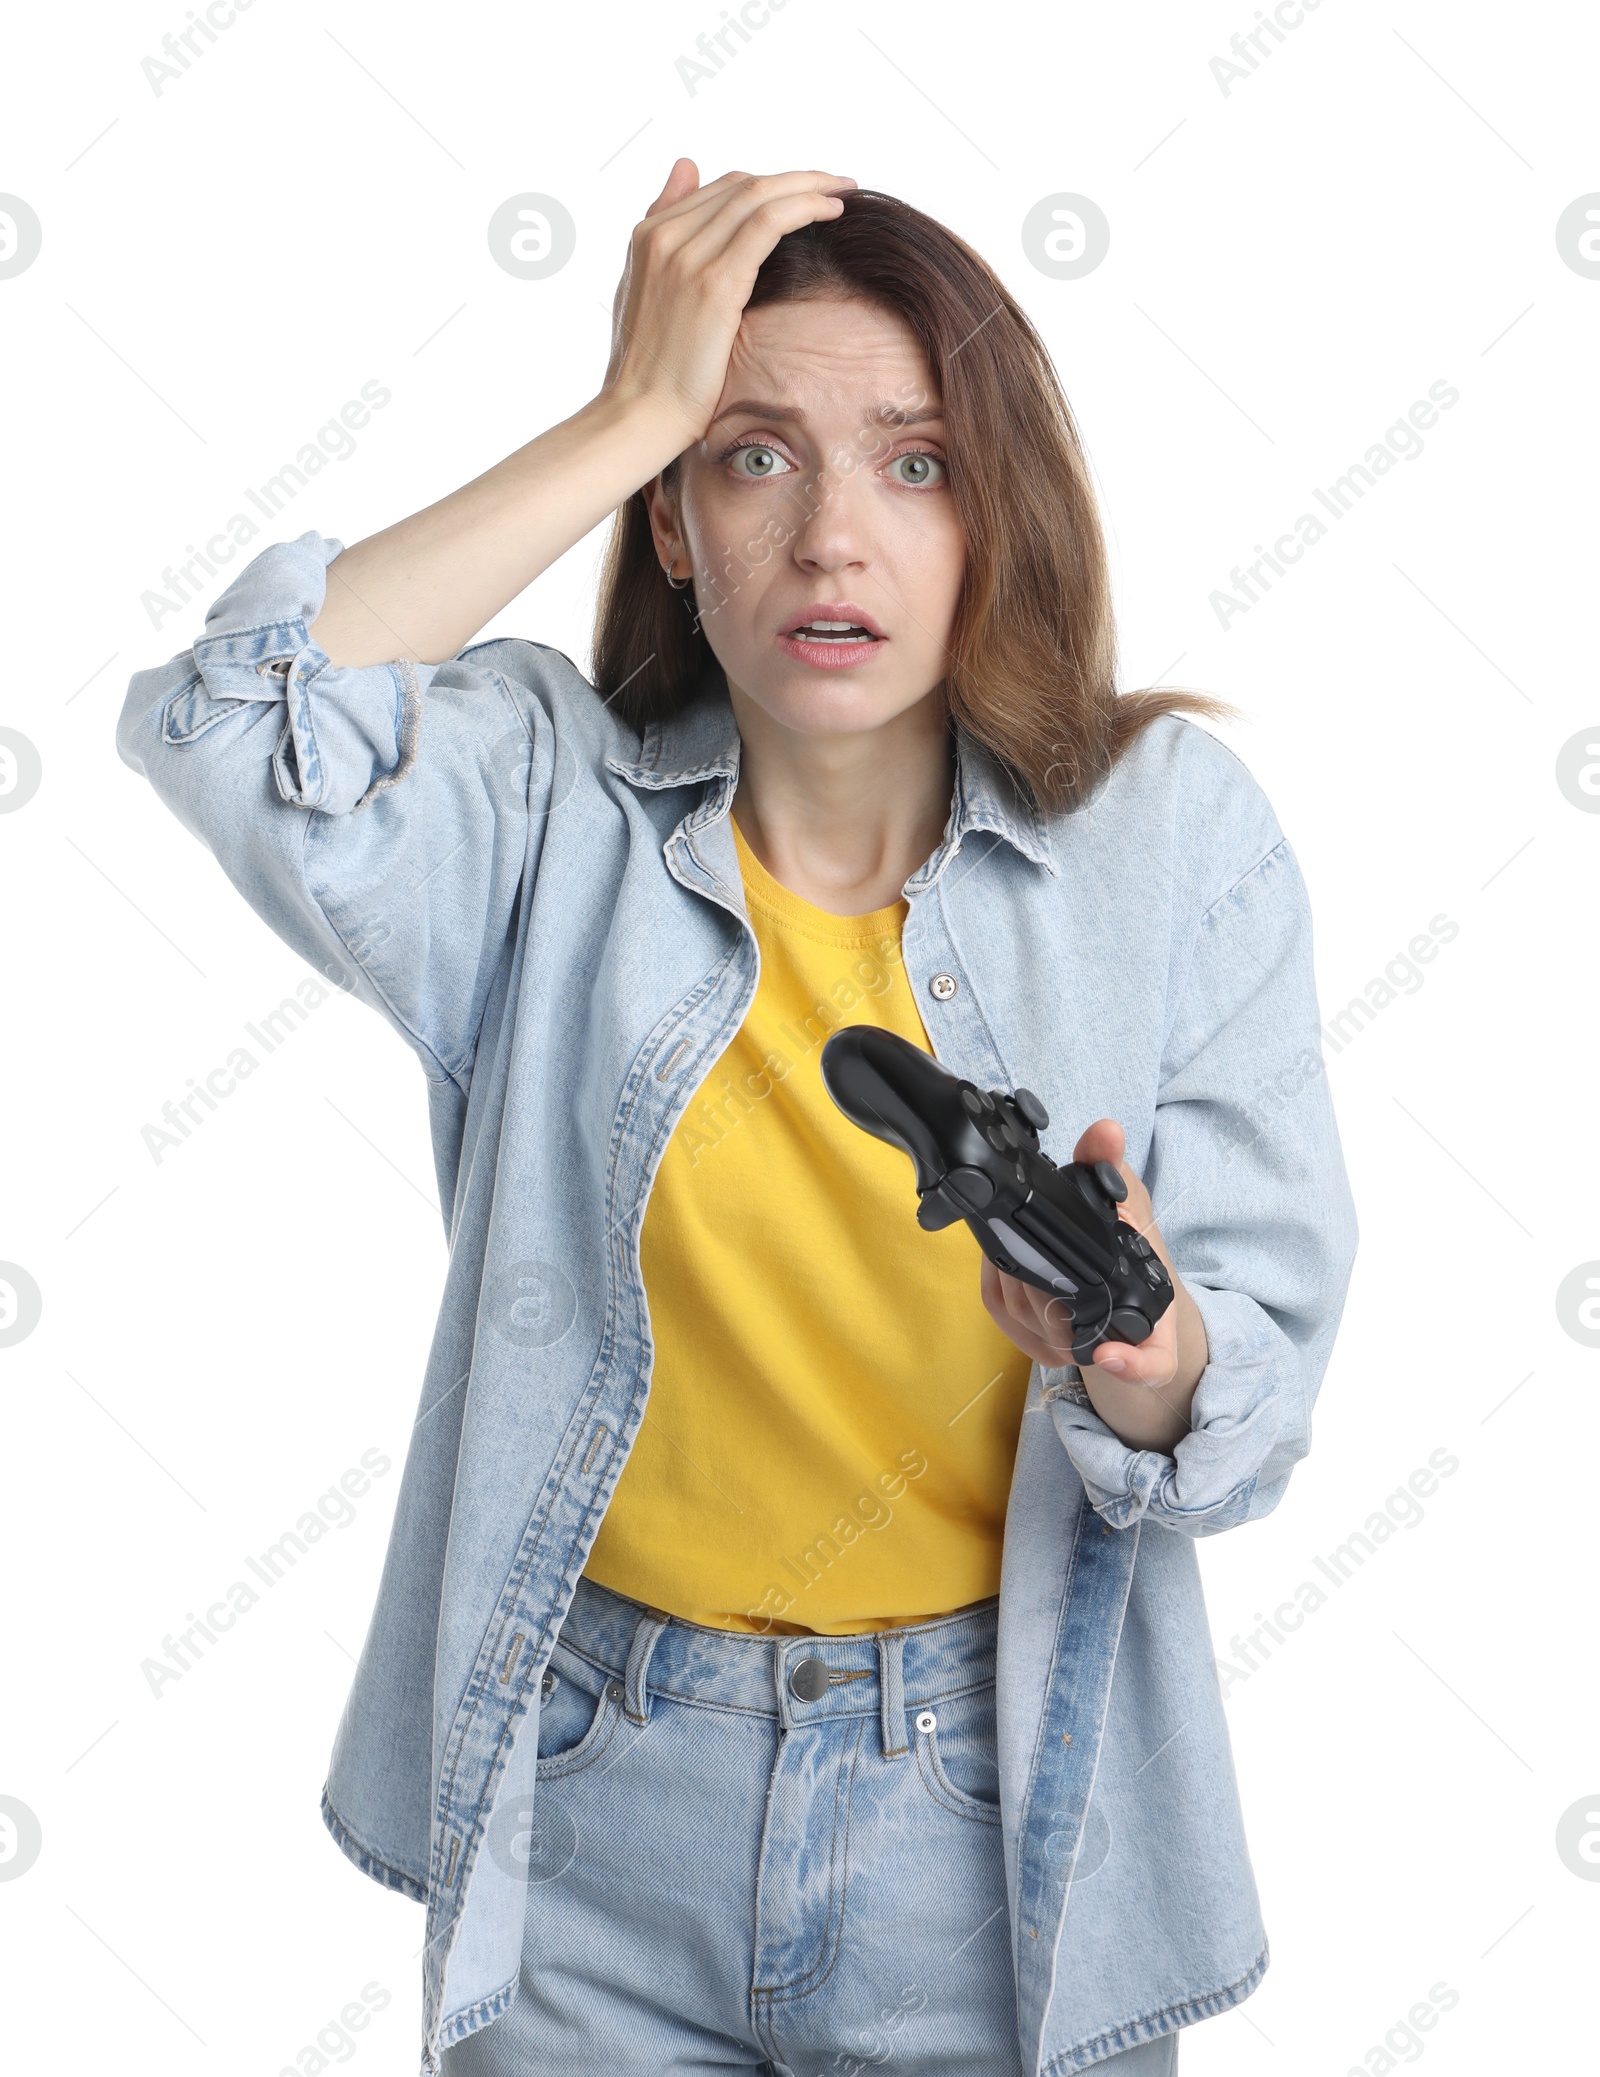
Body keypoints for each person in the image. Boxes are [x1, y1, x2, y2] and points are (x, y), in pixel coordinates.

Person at [117, 162, 1358, 2077]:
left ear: (994, 516)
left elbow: (1247, 1400)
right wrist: (625, 408)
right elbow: (233, 715)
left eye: (917, 464)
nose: (835, 540)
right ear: (677, 524)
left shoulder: (1168, 838)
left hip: (991, 1818)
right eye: (755, 458)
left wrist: (1136, 1346)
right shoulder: (546, 813)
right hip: (592, 1797)